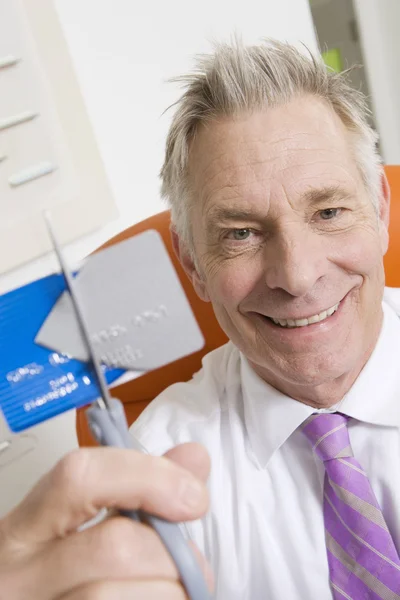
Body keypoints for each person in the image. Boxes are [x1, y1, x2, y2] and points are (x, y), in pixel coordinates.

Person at [1, 38, 400, 599]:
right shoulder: (160, 470)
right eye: (240, 233)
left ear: (380, 210)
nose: (298, 274)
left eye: (329, 211)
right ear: (192, 263)